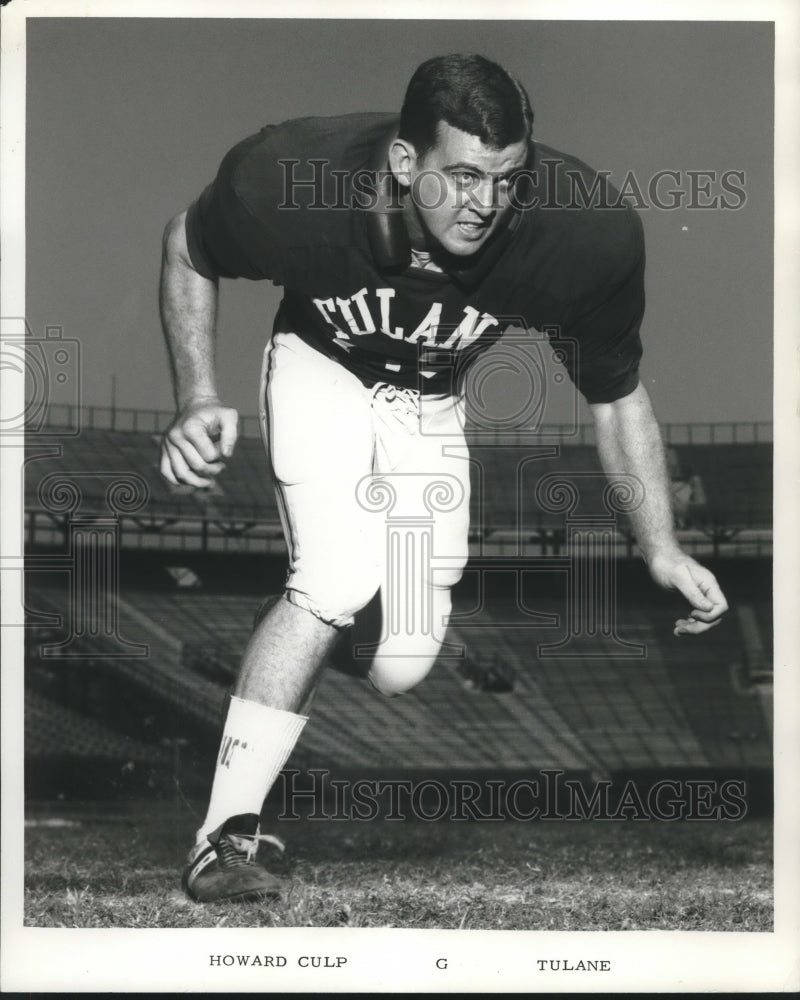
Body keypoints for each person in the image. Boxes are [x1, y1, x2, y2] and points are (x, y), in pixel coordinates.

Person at [158, 54, 728, 903]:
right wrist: (197, 395)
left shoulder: (585, 233)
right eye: (461, 176)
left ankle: (301, 629)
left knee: (406, 660)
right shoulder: (289, 180)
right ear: (400, 164)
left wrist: (659, 546)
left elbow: (614, 398)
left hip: (430, 397)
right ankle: (225, 836)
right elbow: (187, 245)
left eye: (506, 179)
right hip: (324, 360)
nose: (485, 204)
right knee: (335, 575)